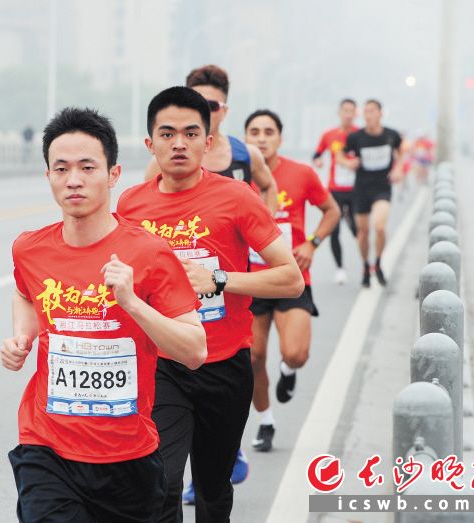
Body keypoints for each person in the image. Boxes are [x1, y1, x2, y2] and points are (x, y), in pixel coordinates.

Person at [2, 107, 207, 523]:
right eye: (61, 169)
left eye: (87, 167)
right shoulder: (29, 248)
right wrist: (23, 337)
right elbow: (25, 293)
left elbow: (194, 350)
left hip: (127, 459)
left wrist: (132, 303)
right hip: (47, 448)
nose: (73, 179)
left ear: (113, 175)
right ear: (49, 177)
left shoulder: (150, 253)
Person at [117, 86, 303, 523]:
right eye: (167, 134)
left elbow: (290, 278)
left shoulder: (237, 198)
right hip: (163, 362)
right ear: (150, 143)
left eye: (190, 133)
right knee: (161, 483)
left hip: (225, 364)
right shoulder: (131, 204)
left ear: (208, 140)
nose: (178, 143)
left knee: (213, 489)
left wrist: (219, 280)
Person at [244, 109, 340, 451]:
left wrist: (311, 243)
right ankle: (266, 422)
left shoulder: (301, 173)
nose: (262, 137)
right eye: (254, 131)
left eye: (269, 131)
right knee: (253, 358)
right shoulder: (235, 178)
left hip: (291, 277)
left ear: (280, 138)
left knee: (296, 353)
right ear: (245, 139)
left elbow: (333, 210)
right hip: (249, 280)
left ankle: (288, 370)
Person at [144, 64, 278, 215]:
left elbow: (269, 187)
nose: (203, 111)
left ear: (224, 111)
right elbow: (146, 206)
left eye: (211, 105)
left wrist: (265, 227)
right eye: (195, 105)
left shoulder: (247, 154)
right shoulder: (163, 160)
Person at [338, 99, 406, 287]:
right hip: (361, 190)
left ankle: (378, 262)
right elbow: (340, 155)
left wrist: (399, 168)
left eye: (373, 111)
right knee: (363, 232)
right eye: (366, 112)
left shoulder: (391, 135)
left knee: (379, 226)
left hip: (382, 188)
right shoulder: (356, 137)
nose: (369, 115)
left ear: (381, 113)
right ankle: (366, 266)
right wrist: (348, 163)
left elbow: (401, 150)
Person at [313, 98, 359, 285]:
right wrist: (318, 161)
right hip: (335, 190)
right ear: (339, 112)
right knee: (334, 229)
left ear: (355, 114)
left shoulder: (359, 135)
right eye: (345, 111)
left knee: (358, 230)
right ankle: (340, 268)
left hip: (355, 191)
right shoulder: (329, 135)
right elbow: (317, 154)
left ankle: (367, 264)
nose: (348, 114)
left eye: (351, 111)